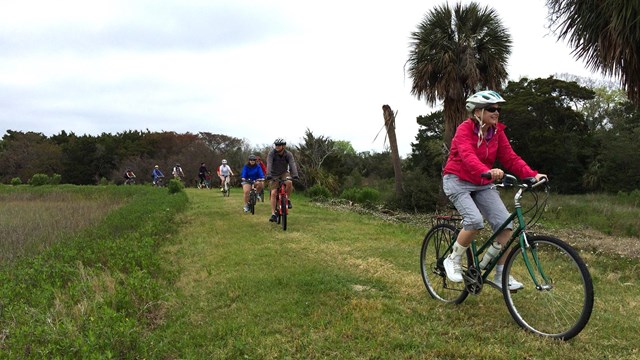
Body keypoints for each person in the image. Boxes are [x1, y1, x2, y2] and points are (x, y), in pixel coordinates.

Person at [441, 90, 547, 291]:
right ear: (477, 111)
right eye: (491, 108)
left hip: (482, 182)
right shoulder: (464, 130)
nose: (496, 112)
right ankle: (452, 259)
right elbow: (467, 156)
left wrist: (532, 174)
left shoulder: (497, 132)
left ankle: (500, 274)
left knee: (505, 226)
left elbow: (510, 158)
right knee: (474, 221)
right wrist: (486, 171)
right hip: (458, 180)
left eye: (499, 109)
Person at [265, 139, 299, 222]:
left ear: (283, 146)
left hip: (284, 173)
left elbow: (292, 164)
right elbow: (269, 164)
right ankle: (273, 214)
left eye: (279, 145)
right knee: (273, 193)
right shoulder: (271, 153)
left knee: (289, 182)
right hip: (273, 174)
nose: (277, 146)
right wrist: (268, 174)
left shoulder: (288, 154)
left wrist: (295, 174)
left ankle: (287, 199)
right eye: (276, 145)